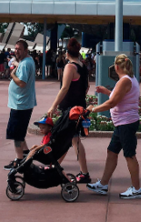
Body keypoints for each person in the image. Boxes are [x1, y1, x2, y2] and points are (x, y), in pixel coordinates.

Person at [87, 54, 141, 200]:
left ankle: (136, 189)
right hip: (122, 123)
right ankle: (103, 184)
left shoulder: (124, 81)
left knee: (129, 155)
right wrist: (106, 92)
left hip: (126, 123)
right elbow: (119, 97)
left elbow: (112, 103)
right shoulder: (130, 79)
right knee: (112, 152)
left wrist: (94, 109)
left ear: (116, 67)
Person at [47, 38, 91, 183]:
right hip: (79, 107)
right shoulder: (82, 67)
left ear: (67, 53)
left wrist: (53, 106)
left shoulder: (70, 67)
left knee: (71, 139)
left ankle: (83, 172)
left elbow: (64, 88)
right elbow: (87, 87)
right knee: (70, 138)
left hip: (70, 109)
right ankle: (54, 166)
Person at [4, 39, 37, 171]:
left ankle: (19, 160)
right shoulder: (27, 61)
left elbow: (22, 83)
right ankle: (26, 154)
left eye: (19, 49)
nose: (16, 51)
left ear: (25, 50)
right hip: (22, 103)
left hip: (20, 104)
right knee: (20, 132)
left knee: (16, 134)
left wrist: (12, 75)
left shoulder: (25, 64)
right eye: (16, 48)